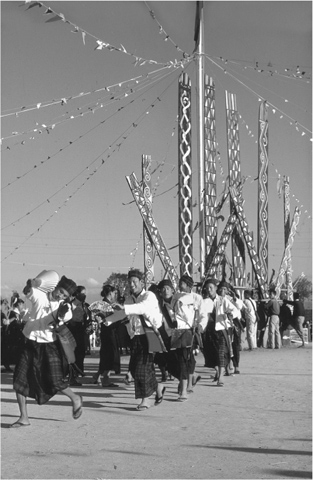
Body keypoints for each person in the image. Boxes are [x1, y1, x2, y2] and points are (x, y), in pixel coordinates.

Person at [11, 274, 83, 428]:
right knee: (19, 379)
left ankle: (75, 398)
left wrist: (61, 313)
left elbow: (66, 314)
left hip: (49, 345)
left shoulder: (64, 305)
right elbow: (28, 291)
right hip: (29, 341)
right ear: (56, 287)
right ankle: (24, 417)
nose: (61, 296)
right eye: (61, 291)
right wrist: (31, 284)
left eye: (65, 295)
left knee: (55, 379)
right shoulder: (40, 296)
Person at [105, 269, 165, 410]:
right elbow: (121, 315)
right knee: (146, 368)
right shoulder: (129, 299)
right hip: (136, 338)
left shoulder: (149, 296)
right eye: (130, 281)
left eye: (134, 281)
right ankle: (158, 387)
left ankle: (145, 400)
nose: (132, 284)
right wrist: (105, 320)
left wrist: (124, 307)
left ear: (141, 283)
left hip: (150, 336)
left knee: (140, 370)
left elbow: (141, 308)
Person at [169, 274, 204, 399]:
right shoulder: (176, 296)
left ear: (189, 285)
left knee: (185, 359)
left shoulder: (197, 298)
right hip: (176, 331)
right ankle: (190, 378)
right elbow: (171, 312)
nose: (179, 285)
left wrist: (200, 325)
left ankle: (184, 389)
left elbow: (203, 314)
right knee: (175, 360)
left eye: (182, 283)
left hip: (189, 331)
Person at [201, 278, 237, 386]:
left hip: (220, 330)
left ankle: (221, 376)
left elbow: (235, 310)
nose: (209, 290)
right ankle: (217, 370)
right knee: (210, 353)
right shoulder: (204, 302)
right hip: (208, 331)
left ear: (216, 288)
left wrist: (230, 314)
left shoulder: (222, 300)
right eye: (207, 288)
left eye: (211, 287)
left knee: (221, 353)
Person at [92, 285, 121, 387]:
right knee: (110, 355)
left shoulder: (101, 304)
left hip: (105, 332)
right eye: (114, 293)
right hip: (110, 332)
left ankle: (98, 375)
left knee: (105, 355)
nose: (115, 295)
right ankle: (105, 378)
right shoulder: (107, 305)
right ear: (110, 293)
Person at [67, 286, 92, 386]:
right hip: (72, 331)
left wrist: (89, 325)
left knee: (81, 354)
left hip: (82, 331)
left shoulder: (85, 306)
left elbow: (89, 318)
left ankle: (76, 375)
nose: (84, 296)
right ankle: (71, 376)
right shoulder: (70, 304)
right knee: (72, 355)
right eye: (82, 293)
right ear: (77, 294)